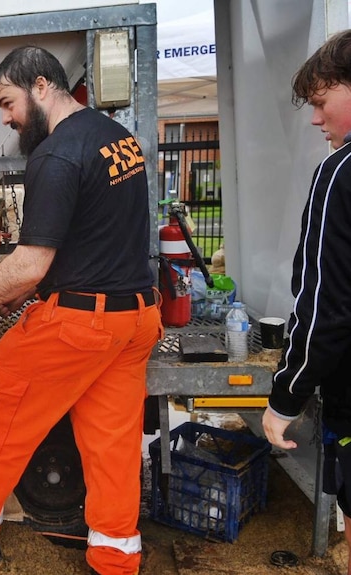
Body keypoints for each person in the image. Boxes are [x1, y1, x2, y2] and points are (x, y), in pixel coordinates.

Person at [0, 46, 162, 575]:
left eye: (7, 102)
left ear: (41, 86)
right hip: (134, 318)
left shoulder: (55, 154)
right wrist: (31, 288)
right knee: (112, 445)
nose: (6, 117)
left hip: (78, 323)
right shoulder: (118, 139)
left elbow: (29, 263)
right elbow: (94, 232)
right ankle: (114, 562)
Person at [262, 29, 351, 574]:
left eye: (321, 101)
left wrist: (285, 396)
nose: (316, 119)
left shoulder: (339, 174)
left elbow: (325, 305)